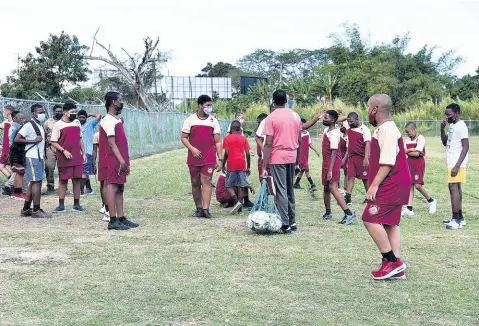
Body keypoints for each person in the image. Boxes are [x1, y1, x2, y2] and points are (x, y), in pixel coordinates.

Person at [363, 94, 410, 280]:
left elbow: (388, 162)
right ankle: (396, 269)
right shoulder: (382, 128)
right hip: (394, 183)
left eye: (368, 107)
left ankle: (392, 261)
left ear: (375, 109)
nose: (367, 111)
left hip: (392, 183)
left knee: (369, 218)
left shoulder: (388, 129)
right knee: (391, 223)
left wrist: (373, 185)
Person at [262, 90, 303, 234]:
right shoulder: (295, 115)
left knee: (281, 191)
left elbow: (268, 143)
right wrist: (298, 160)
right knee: (289, 189)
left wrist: (264, 164)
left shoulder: (271, 118)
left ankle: (285, 224)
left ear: (273, 101)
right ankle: (293, 221)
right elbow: (300, 140)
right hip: (292, 156)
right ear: (286, 100)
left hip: (277, 157)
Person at [101, 91, 139, 230]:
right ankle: (112, 219)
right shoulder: (108, 120)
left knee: (120, 187)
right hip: (114, 159)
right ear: (113, 102)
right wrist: (121, 160)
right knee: (112, 186)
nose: (121, 102)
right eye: (120, 100)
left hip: (121, 159)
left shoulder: (116, 119)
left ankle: (121, 217)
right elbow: (111, 143)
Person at [181, 95, 223, 219]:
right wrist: (192, 149)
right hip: (194, 158)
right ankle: (198, 208)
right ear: (200, 106)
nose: (209, 108)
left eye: (211, 105)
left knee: (207, 182)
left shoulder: (213, 121)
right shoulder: (190, 120)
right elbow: (183, 137)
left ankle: (206, 209)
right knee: (195, 182)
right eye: (207, 105)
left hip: (209, 158)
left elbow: (218, 142)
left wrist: (220, 159)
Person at [14, 103, 52, 218]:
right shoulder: (29, 125)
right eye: (40, 112)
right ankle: (36, 210)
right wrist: (33, 141)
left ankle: (26, 209)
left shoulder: (39, 124)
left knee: (35, 182)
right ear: (33, 113)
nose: (42, 114)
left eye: (43, 111)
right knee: (37, 182)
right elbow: (17, 139)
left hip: (38, 157)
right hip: (32, 156)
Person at [321, 110, 357, 225]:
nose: (324, 119)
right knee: (326, 187)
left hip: (333, 163)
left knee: (333, 187)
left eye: (326, 117)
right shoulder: (327, 130)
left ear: (332, 120)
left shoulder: (335, 133)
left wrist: (330, 170)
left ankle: (349, 213)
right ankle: (328, 212)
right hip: (326, 163)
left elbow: (334, 152)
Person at [50, 102, 87, 213]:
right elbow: (53, 142)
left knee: (77, 180)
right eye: (72, 112)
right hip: (63, 157)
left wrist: (83, 153)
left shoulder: (76, 122)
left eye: (75, 112)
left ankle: (76, 205)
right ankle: (61, 205)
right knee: (63, 181)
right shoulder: (58, 125)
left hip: (76, 156)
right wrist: (63, 151)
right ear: (65, 112)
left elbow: (80, 138)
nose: (74, 114)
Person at [441, 103, 469, 230]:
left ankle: (456, 220)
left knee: (453, 189)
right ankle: (460, 218)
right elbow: (445, 142)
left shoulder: (461, 126)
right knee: (455, 188)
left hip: (456, 163)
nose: (446, 117)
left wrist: (457, 166)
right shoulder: (452, 125)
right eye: (445, 114)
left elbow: (466, 146)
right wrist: (442, 129)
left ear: (456, 113)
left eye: (449, 114)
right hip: (452, 161)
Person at [402, 122, 437, 216]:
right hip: (409, 163)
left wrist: (407, 151)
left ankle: (431, 201)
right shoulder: (408, 139)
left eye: (408, 132)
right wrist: (410, 150)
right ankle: (409, 209)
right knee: (410, 185)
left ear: (414, 130)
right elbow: (402, 150)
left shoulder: (420, 138)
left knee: (417, 185)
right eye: (406, 132)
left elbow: (417, 154)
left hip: (418, 163)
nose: (407, 134)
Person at [222, 120, 251, 214]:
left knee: (228, 185)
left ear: (231, 128)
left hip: (232, 164)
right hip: (242, 164)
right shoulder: (243, 139)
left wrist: (223, 164)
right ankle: (240, 210)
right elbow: (247, 153)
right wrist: (248, 166)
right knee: (241, 186)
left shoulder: (227, 138)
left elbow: (226, 153)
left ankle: (236, 201)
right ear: (239, 129)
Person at [344, 112, 371, 206]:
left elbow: (368, 144)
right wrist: (346, 117)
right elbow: (339, 120)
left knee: (365, 178)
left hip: (362, 157)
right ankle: (348, 198)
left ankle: (369, 198)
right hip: (351, 158)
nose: (349, 123)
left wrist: (366, 158)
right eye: (348, 121)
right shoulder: (349, 128)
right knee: (350, 177)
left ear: (357, 119)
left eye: (351, 121)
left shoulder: (365, 129)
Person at [77, 110, 101, 196]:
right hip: (78, 152)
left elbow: (98, 116)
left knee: (83, 172)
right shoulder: (76, 125)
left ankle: (81, 192)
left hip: (87, 151)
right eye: (80, 117)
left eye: (83, 117)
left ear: (86, 117)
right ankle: (89, 189)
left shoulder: (90, 124)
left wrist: (90, 113)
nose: (81, 119)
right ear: (77, 117)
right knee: (84, 171)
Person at [293, 118, 320, 191]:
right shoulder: (297, 134)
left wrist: (316, 150)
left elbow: (309, 144)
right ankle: (312, 185)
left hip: (306, 154)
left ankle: (296, 183)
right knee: (305, 169)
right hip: (300, 155)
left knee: (302, 169)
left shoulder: (307, 133)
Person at [43, 104, 64, 194]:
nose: (58, 113)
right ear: (53, 112)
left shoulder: (65, 122)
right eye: (57, 111)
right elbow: (44, 135)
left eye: (60, 111)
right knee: (49, 167)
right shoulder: (48, 122)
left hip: (62, 148)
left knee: (63, 168)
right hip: (50, 148)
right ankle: (50, 186)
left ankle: (63, 187)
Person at [8, 111, 28, 200]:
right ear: (22, 120)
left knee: (19, 172)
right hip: (17, 153)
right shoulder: (20, 128)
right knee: (20, 173)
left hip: (14, 152)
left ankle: (17, 192)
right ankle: (17, 193)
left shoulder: (14, 126)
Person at [93, 131, 109, 221]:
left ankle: (109, 207)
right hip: (102, 161)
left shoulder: (115, 132)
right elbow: (95, 150)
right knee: (103, 183)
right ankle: (105, 206)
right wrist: (93, 163)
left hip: (112, 161)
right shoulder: (97, 135)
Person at [0, 105, 14, 195]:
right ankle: (12, 183)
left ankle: (13, 186)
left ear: (8, 112)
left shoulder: (14, 123)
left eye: (4, 111)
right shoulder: (5, 122)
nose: (3, 113)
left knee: (13, 168)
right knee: (1, 166)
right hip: (5, 148)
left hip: (11, 148)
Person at [255, 113, 268, 183]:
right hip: (260, 157)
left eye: (259, 122)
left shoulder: (265, 133)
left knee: (264, 177)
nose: (258, 124)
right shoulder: (259, 132)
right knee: (261, 178)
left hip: (264, 157)